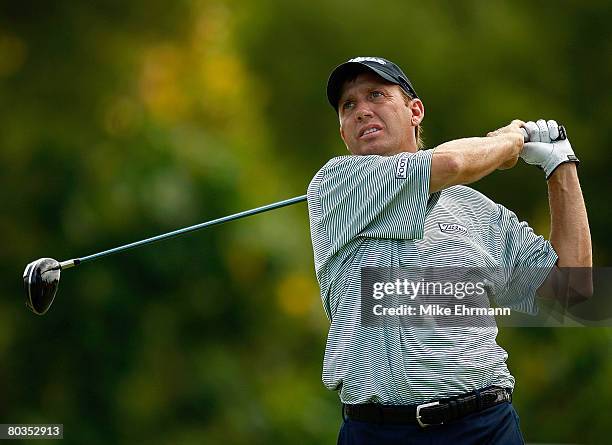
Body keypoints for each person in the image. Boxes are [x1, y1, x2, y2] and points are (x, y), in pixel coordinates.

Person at [306, 56, 592, 444]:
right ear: (342, 132)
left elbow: (572, 289)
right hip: (378, 432)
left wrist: (561, 164)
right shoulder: (336, 184)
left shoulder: (478, 211)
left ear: (415, 111)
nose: (361, 111)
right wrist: (510, 141)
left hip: (484, 426)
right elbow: (453, 161)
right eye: (348, 106)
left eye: (376, 94)